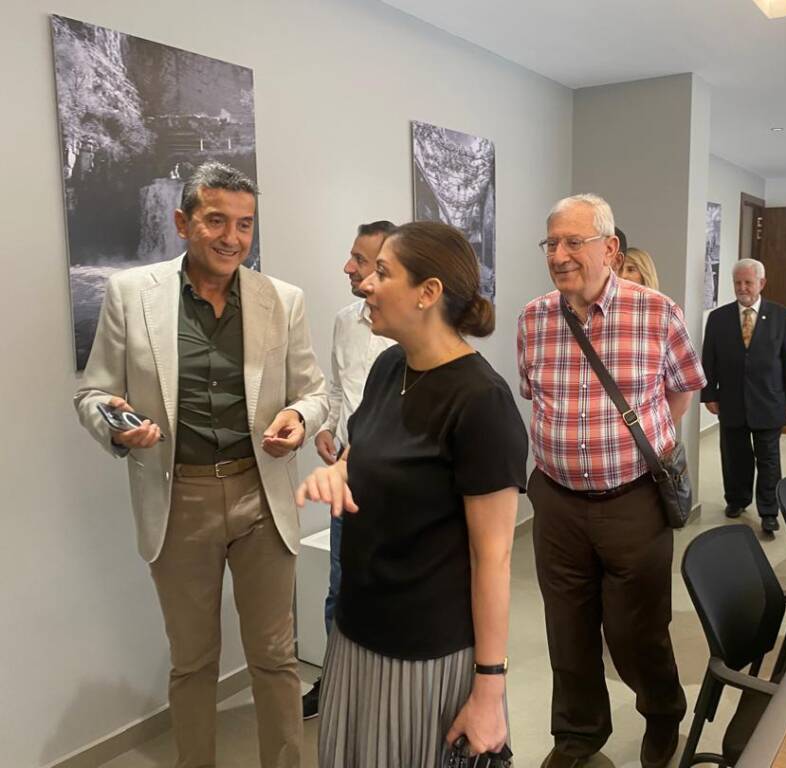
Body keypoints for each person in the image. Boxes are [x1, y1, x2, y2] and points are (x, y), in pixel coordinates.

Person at [73, 162, 328, 768]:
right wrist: (115, 423)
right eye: (216, 220)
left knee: (275, 657)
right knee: (192, 662)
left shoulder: (281, 299)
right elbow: (93, 393)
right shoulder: (131, 294)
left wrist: (299, 418)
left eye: (245, 224)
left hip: (261, 496)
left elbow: (314, 392)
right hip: (177, 499)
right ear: (183, 222)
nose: (232, 238)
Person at [296, 221, 528, 768]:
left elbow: (493, 558)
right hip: (357, 633)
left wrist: (489, 688)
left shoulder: (482, 403)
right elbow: (362, 450)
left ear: (428, 293)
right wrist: (339, 472)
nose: (365, 284)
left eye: (382, 272)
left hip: (425, 654)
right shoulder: (389, 367)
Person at [518, 194, 706, 768]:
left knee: (636, 629)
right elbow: (535, 395)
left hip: (633, 501)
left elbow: (683, 388)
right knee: (567, 626)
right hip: (556, 502)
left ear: (610, 249)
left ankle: (662, 712)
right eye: (552, 243)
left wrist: (641, 441)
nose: (559, 255)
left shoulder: (657, 312)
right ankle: (577, 736)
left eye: (574, 242)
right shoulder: (533, 319)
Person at [302, 220, 396, 719]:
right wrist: (327, 425)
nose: (348, 267)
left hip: (394, 479)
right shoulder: (345, 321)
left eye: (360, 259)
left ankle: (386, 691)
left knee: (391, 585)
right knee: (340, 583)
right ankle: (337, 681)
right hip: (346, 473)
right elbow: (339, 386)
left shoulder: (407, 329)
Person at [700, 259, 786, 535]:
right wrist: (709, 394)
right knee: (735, 456)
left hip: (769, 400)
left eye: (748, 282)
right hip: (731, 400)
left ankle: (769, 511)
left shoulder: (782, 316)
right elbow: (709, 359)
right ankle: (736, 500)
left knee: (768, 460)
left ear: (762, 283)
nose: (742, 288)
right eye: (738, 283)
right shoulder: (718, 318)